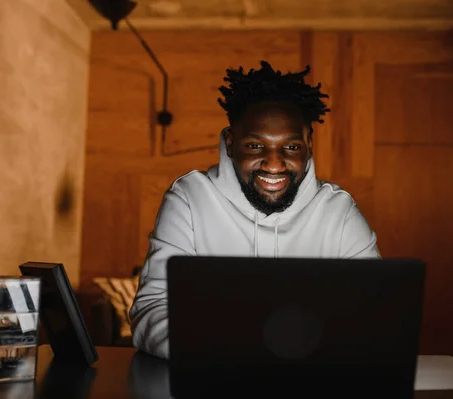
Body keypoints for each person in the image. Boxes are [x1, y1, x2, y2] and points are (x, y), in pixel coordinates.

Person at [129, 61, 380, 359]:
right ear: (231, 143)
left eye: (290, 147)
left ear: (309, 146)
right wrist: (228, 354)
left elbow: (376, 310)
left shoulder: (339, 211)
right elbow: (153, 308)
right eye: (255, 146)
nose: (274, 165)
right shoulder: (189, 199)